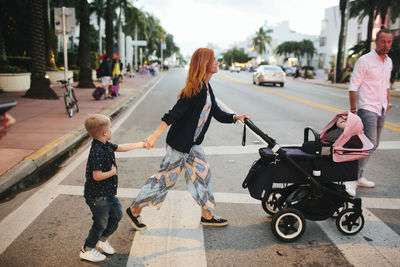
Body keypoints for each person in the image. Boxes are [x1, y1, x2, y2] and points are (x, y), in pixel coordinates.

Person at [125, 48, 251, 231]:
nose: (217, 62)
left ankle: (207, 215)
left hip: (192, 146)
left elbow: (216, 112)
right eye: (213, 60)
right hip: (179, 146)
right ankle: (134, 210)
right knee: (164, 181)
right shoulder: (195, 89)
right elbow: (172, 115)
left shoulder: (207, 88)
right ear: (204, 64)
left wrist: (236, 117)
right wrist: (153, 137)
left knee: (203, 173)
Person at [80, 114, 145, 262]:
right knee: (100, 224)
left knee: (116, 216)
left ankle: (102, 241)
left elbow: (122, 147)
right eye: (110, 128)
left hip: (108, 194)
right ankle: (87, 249)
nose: (111, 130)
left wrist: (141, 144)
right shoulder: (97, 151)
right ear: (104, 132)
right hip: (97, 197)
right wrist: (112, 172)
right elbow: (96, 176)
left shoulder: (105, 145)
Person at [345, 28, 393, 197]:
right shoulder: (365, 61)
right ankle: (349, 180)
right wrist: (354, 111)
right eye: (383, 41)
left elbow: (386, 84)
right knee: (369, 144)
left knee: (374, 144)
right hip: (367, 108)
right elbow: (353, 86)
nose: (386, 45)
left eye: (389, 42)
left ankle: (358, 176)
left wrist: (387, 102)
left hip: (381, 108)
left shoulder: (388, 62)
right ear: (376, 41)